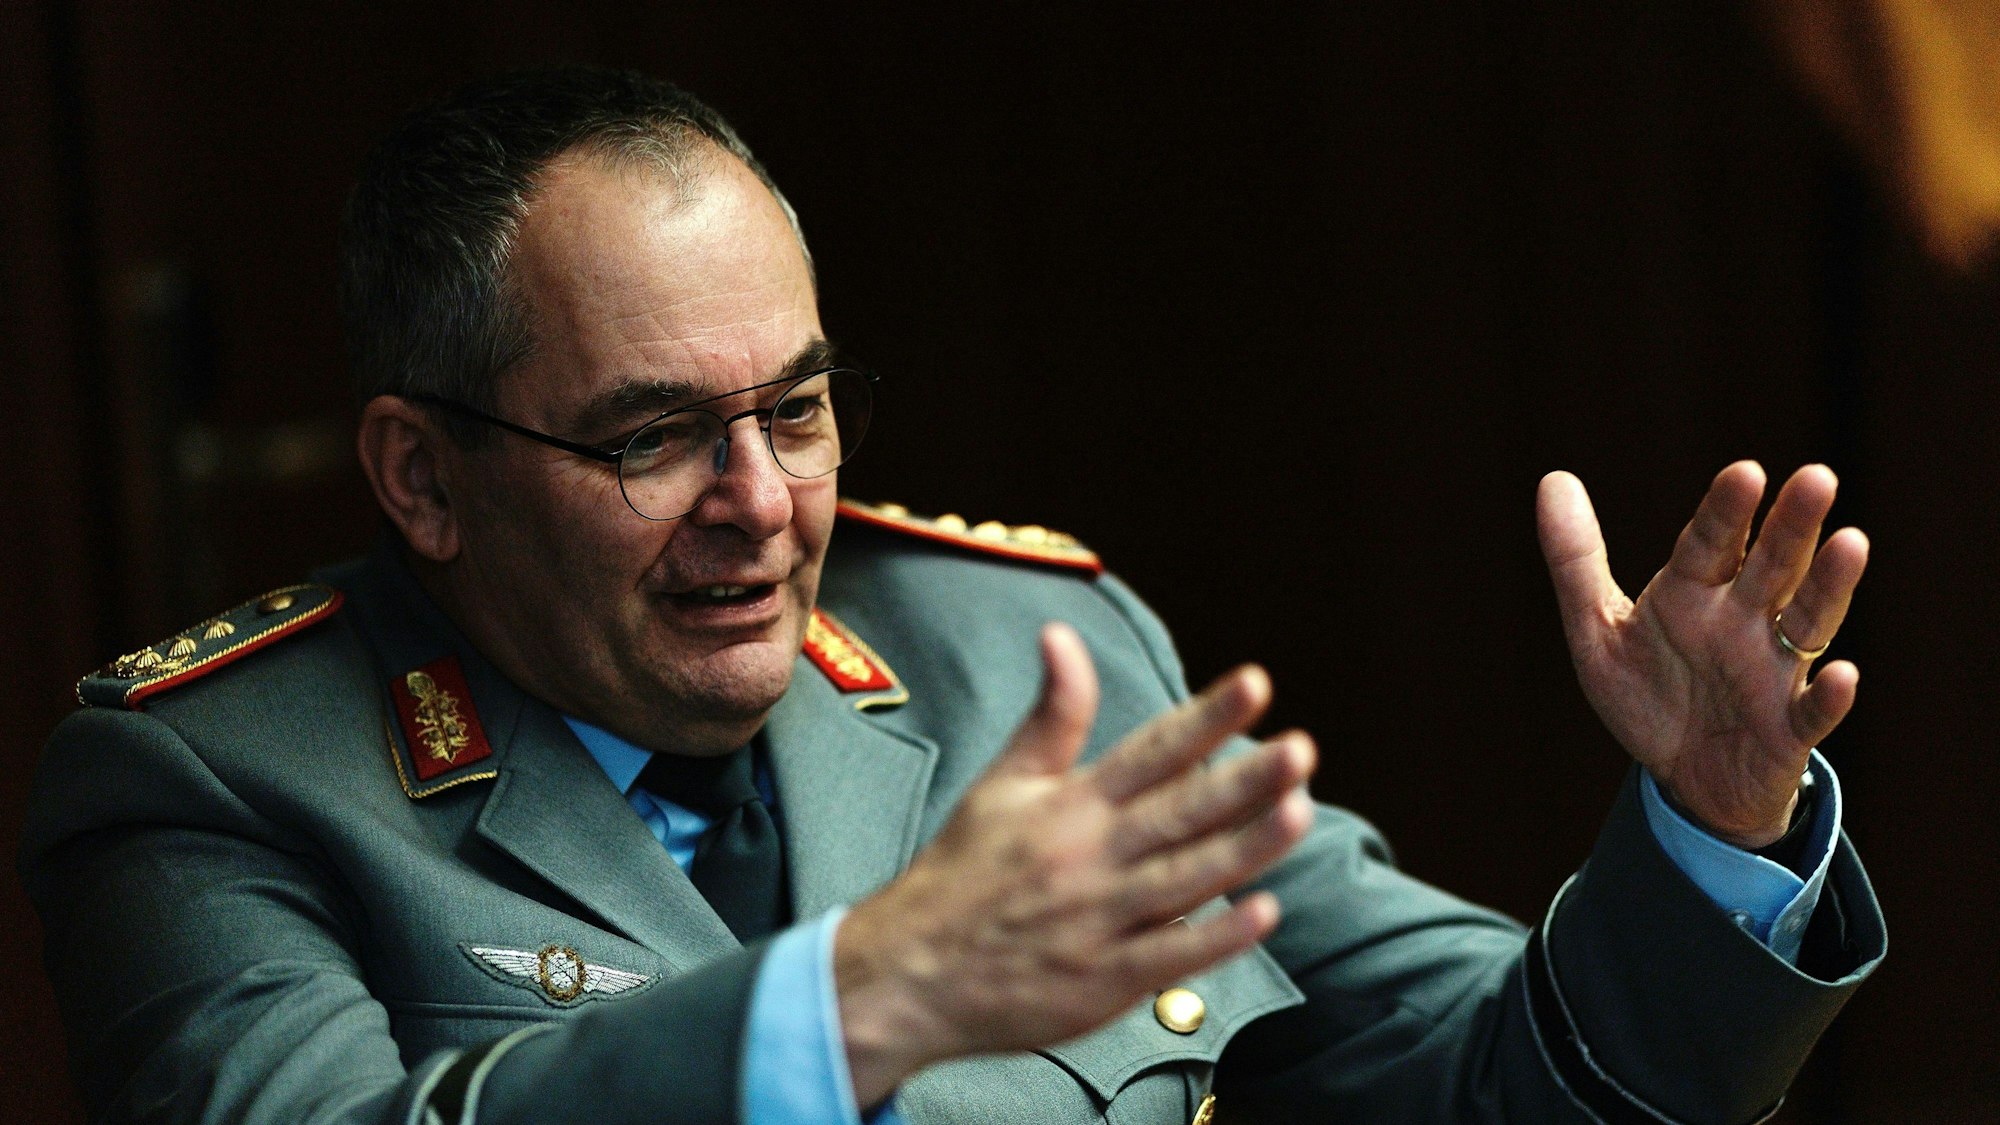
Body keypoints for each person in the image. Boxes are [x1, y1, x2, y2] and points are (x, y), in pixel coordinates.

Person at [20, 65, 1883, 1124]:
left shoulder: (1021, 656)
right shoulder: (212, 782)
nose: (762, 507)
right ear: (424, 477)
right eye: (652, 437)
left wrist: (1709, 835)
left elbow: (1501, 1079)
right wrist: (849, 1002)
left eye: (798, 409)